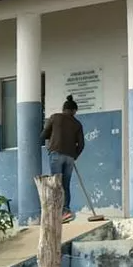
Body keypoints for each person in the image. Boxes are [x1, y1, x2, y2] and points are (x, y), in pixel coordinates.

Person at [41, 95, 85, 223]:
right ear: (74, 111)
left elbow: (44, 134)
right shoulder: (77, 124)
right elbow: (81, 145)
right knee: (66, 185)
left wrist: (52, 137)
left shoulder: (55, 117)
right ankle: (65, 212)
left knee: (56, 184)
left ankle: (55, 213)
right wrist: (74, 155)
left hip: (56, 154)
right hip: (70, 157)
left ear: (63, 109)